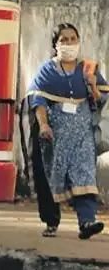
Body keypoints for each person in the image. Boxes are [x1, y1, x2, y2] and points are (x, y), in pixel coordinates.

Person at [27, 23, 107, 240]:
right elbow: (38, 99)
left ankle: (87, 222)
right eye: (64, 40)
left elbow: (100, 101)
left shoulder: (89, 69)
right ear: (56, 45)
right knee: (53, 176)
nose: (69, 44)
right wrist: (43, 125)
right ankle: (51, 221)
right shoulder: (48, 71)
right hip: (55, 136)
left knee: (84, 174)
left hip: (82, 133)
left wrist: (92, 86)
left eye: (73, 39)